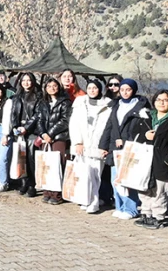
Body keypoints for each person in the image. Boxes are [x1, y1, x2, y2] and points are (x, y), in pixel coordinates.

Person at [98, 78, 150, 220]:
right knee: (116, 179)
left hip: (131, 149)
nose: (125, 92)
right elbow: (109, 127)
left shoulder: (141, 107)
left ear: (133, 90)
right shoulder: (116, 105)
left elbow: (143, 129)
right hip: (115, 148)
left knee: (128, 180)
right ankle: (120, 206)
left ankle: (131, 209)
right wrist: (103, 146)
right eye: (122, 90)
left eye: (128, 90)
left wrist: (125, 141)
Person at [136, 89, 168, 229]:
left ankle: (158, 216)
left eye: (165, 100)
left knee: (160, 190)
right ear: (154, 101)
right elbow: (135, 135)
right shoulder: (146, 117)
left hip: (163, 160)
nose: (162, 102)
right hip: (145, 160)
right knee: (144, 187)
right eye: (158, 99)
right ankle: (146, 213)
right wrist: (145, 136)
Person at [68, 78, 112, 213]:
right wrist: (77, 142)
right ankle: (85, 199)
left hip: (98, 146)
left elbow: (109, 127)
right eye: (90, 88)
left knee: (95, 175)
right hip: (83, 145)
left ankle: (94, 202)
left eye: (95, 88)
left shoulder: (108, 105)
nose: (92, 91)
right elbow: (73, 124)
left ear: (100, 89)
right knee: (83, 174)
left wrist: (105, 146)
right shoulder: (80, 103)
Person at [37, 77, 72, 205]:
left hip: (59, 137)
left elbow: (64, 120)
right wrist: (43, 133)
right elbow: (39, 119)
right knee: (46, 165)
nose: (52, 88)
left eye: (54, 86)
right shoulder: (43, 102)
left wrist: (51, 133)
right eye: (49, 86)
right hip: (45, 138)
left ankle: (57, 194)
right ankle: (47, 191)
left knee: (57, 164)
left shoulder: (65, 102)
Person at [8, 73, 41, 196]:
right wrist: (15, 126)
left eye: (29, 80)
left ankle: (32, 184)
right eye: (24, 80)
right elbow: (14, 114)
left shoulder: (38, 96)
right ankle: (24, 182)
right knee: (21, 158)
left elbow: (38, 115)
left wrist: (26, 128)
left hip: (31, 131)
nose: (26, 83)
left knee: (30, 159)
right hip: (19, 131)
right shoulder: (16, 97)